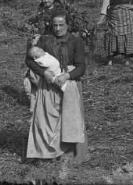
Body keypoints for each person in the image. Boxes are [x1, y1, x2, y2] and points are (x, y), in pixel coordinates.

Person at [25, 14, 88, 163]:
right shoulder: (45, 40)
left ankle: (67, 151)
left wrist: (67, 75)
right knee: (45, 120)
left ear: (67, 25)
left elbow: (81, 67)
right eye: (55, 25)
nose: (58, 28)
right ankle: (45, 153)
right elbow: (29, 60)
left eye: (61, 25)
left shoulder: (76, 41)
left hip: (69, 83)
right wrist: (43, 72)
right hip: (49, 85)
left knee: (68, 120)